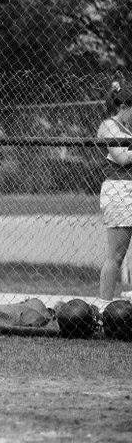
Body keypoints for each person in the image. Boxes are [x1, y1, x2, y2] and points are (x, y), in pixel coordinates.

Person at [98, 81, 132, 302]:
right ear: (124, 107)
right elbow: (121, 157)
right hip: (120, 191)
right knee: (116, 255)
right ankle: (104, 308)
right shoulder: (109, 126)